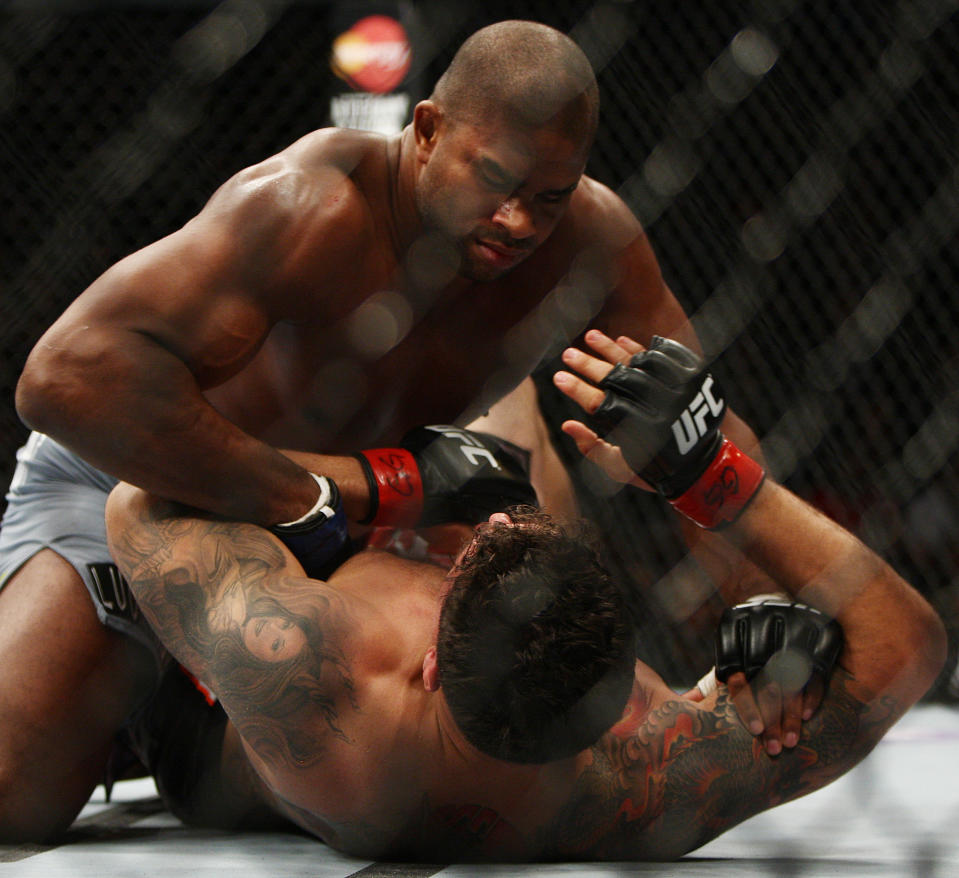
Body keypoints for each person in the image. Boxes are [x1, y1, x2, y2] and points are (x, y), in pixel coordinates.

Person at [2, 19, 766, 840]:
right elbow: (65, 380)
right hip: (148, 483)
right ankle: (122, 684)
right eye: (495, 180)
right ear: (429, 130)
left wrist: (756, 597)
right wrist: (309, 499)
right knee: (16, 796)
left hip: (368, 507)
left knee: (511, 719)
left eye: (548, 196)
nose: (515, 221)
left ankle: (171, 716)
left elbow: (706, 429)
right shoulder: (309, 207)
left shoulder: (590, 241)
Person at [103, 332, 945, 862]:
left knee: (262, 381)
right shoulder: (640, 781)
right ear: (623, 693)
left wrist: (384, 491)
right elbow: (905, 645)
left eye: (462, 564)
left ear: (432, 660)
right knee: (497, 394)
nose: (491, 524)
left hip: (208, 716)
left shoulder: (306, 666)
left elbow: (142, 497)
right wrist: (707, 473)